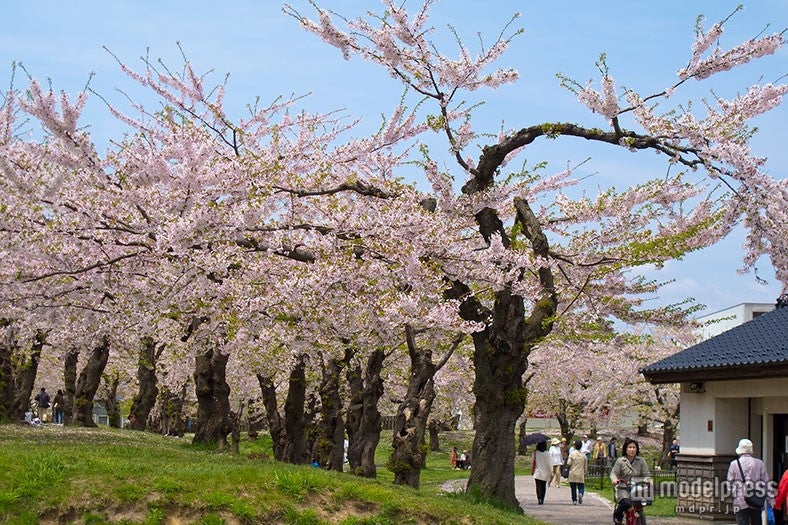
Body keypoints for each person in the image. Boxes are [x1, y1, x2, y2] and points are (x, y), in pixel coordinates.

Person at [726, 438, 772, 525]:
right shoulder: (760, 463)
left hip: (740, 501)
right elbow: (766, 483)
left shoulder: (734, 464)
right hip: (756, 500)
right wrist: (770, 500)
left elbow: (729, 483)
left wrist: (734, 495)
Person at [611, 437, 651, 525]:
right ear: (625, 449)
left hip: (637, 488)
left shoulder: (641, 461)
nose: (632, 449)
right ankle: (618, 515)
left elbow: (646, 474)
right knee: (626, 502)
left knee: (641, 504)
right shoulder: (621, 461)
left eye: (634, 447)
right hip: (623, 488)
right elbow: (613, 473)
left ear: (637, 449)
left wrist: (647, 480)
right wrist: (615, 480)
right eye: (630, 447)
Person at [567, 439, 588, 505]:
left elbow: (569, 463)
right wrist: (585, 472)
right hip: (580, 472)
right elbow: (585, 465)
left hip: (573, 472)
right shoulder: (583, 455)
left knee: (573, 487)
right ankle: (581, 493)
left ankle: (574, 500)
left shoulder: (572, 454)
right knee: (581, 486)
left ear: (575, 446)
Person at [532, 440, 551, 505]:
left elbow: (533, 460)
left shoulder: (535, 453)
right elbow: (549, 464)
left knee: (538, 486)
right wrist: (551, 472)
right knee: (543, 486)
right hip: (545, 472)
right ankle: (542, 498)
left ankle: (539, 498)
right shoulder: (547, 454)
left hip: (537, 472)